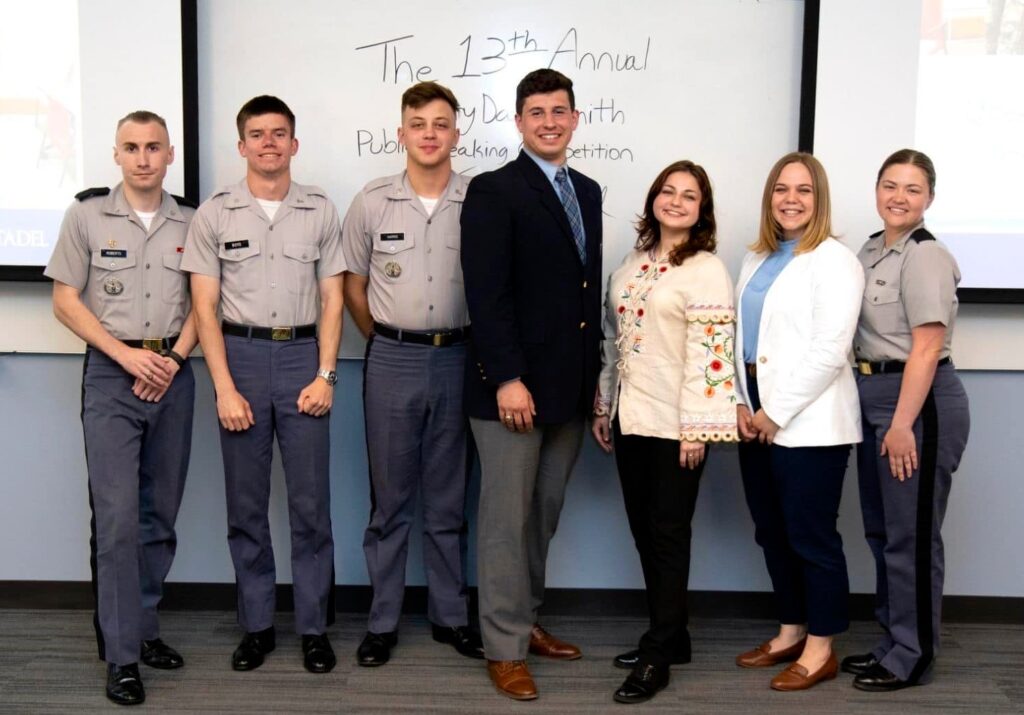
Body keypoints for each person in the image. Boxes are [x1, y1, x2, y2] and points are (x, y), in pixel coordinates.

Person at [182, 95, 345, 674]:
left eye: (279, 134)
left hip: (304, 358)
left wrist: (326, 374)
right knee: (246, 506)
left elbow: (332, 299)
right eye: (257, 134)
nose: (269, 143)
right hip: (241, 361)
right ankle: (255, 626)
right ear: (242, 145)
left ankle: (313, 627)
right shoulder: (214, 213)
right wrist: (223, 387)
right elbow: (204, 307)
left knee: (310, 507)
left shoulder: (321, 210)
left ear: (294, 144)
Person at [45, 110, 197, 705]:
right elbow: (65, 300)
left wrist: (175, 362)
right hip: (113, 376)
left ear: (169, 153)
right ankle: (122, 656)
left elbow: (203, 303)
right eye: (131, 147)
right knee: (116, 521)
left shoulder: (192, 218)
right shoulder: (85, 216)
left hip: (173, 376)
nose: (142, 157)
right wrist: (127, 357)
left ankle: (145, 629)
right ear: (116, 154)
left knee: (159, 519)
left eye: (153, 147)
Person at [460, 68, 603, 701]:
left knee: (540, 516)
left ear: (576, 119)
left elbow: (583, 295)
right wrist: (508, 379)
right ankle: (503, 647)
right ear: (518, 122)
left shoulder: (590, 191)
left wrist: (595, 384)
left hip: (568, 391)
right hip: (512, 395)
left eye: (560, 111)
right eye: (536, 112)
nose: (549, 121)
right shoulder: (495, 190)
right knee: (504, 521)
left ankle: (526, 618)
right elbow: (486, 296)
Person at [341, 81, 483, 667]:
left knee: (450, 500)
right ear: (401, 134)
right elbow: (352, 284)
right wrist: (382, 337)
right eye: (418, 124)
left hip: (459, 358)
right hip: (392, 358)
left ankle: (451, 616)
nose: (430, 134)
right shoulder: (372, 201)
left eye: (441, 123)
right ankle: (382, 620)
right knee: (391, 500)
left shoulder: (480, 199)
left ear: (456, 132)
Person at [591, 161, 738, 704]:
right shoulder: (632, 263)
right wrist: (603, 405)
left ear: (702, 210)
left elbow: (713, 356)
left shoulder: (706, 269)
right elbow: (613, 339)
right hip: (631, 418)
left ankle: (657, 657)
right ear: (654, 199)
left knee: (669, 536)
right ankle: (673, 637)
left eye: (690, 195)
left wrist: (698, 429)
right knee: (645, 533)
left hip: (679, 426)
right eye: (668, 192)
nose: (676, 201)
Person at [732, 152, 864, 691]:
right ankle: (790, 629)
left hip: (808, 422)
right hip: (755, 414)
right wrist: (741, 405)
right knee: (772, 532)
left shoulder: (836, 260)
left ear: (820, 199)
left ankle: (821, 646)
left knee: (811, 536)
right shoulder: (755, 258)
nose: (791, 199)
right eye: (781, 189)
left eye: (804, 190)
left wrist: (774, 412)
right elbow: (740, 341)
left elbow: (830, 350)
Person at [844, 149, 970, 691]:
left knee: (911, 537)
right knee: (883, 531)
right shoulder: (872, 249)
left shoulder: (925, 256)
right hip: (873, 396)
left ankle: (913, 656)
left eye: (912, 189)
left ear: (930, 199)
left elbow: (925, 348)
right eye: (890, 185)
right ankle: (893, 641)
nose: (899, 197)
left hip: (916, 403)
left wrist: (901, 425)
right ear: (876, 190)